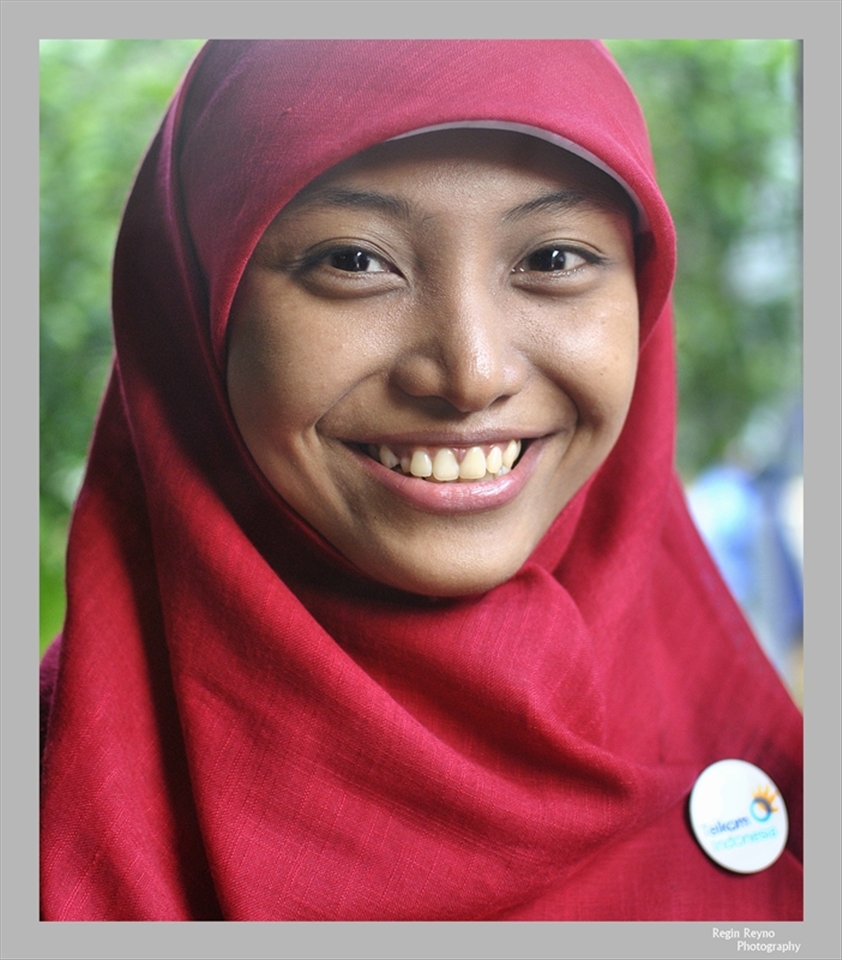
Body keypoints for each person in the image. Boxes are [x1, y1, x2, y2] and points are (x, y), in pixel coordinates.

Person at [39, 40, 802, 921]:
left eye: (553, 260)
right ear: (195, 310)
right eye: (354, 261)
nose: (471, 373)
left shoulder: (765, 775)